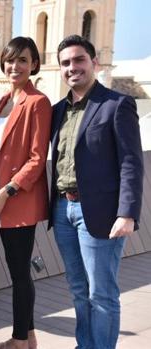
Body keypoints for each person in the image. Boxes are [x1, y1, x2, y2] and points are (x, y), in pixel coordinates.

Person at [49, 35, 143, 349]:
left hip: (100, 213)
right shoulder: (57, 110)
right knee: (77, 288)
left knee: (100, 293)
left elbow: (131, 161)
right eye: (65, 63)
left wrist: (127, 213)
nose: (72, 68)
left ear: (94, 63)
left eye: (79, 60)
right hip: (63, 211)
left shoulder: (117, 104)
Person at [0, 37, 52, 349]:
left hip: (20, 200)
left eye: (23, 60)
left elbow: (37, 159)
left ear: (34, 64)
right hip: (5, 197)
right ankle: (31, 338)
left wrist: (5, 192)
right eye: (11, 60)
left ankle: (18, 340)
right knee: (19, 270)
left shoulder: (38, 102)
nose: (16, 66)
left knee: (20, 273)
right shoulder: (4, 100)